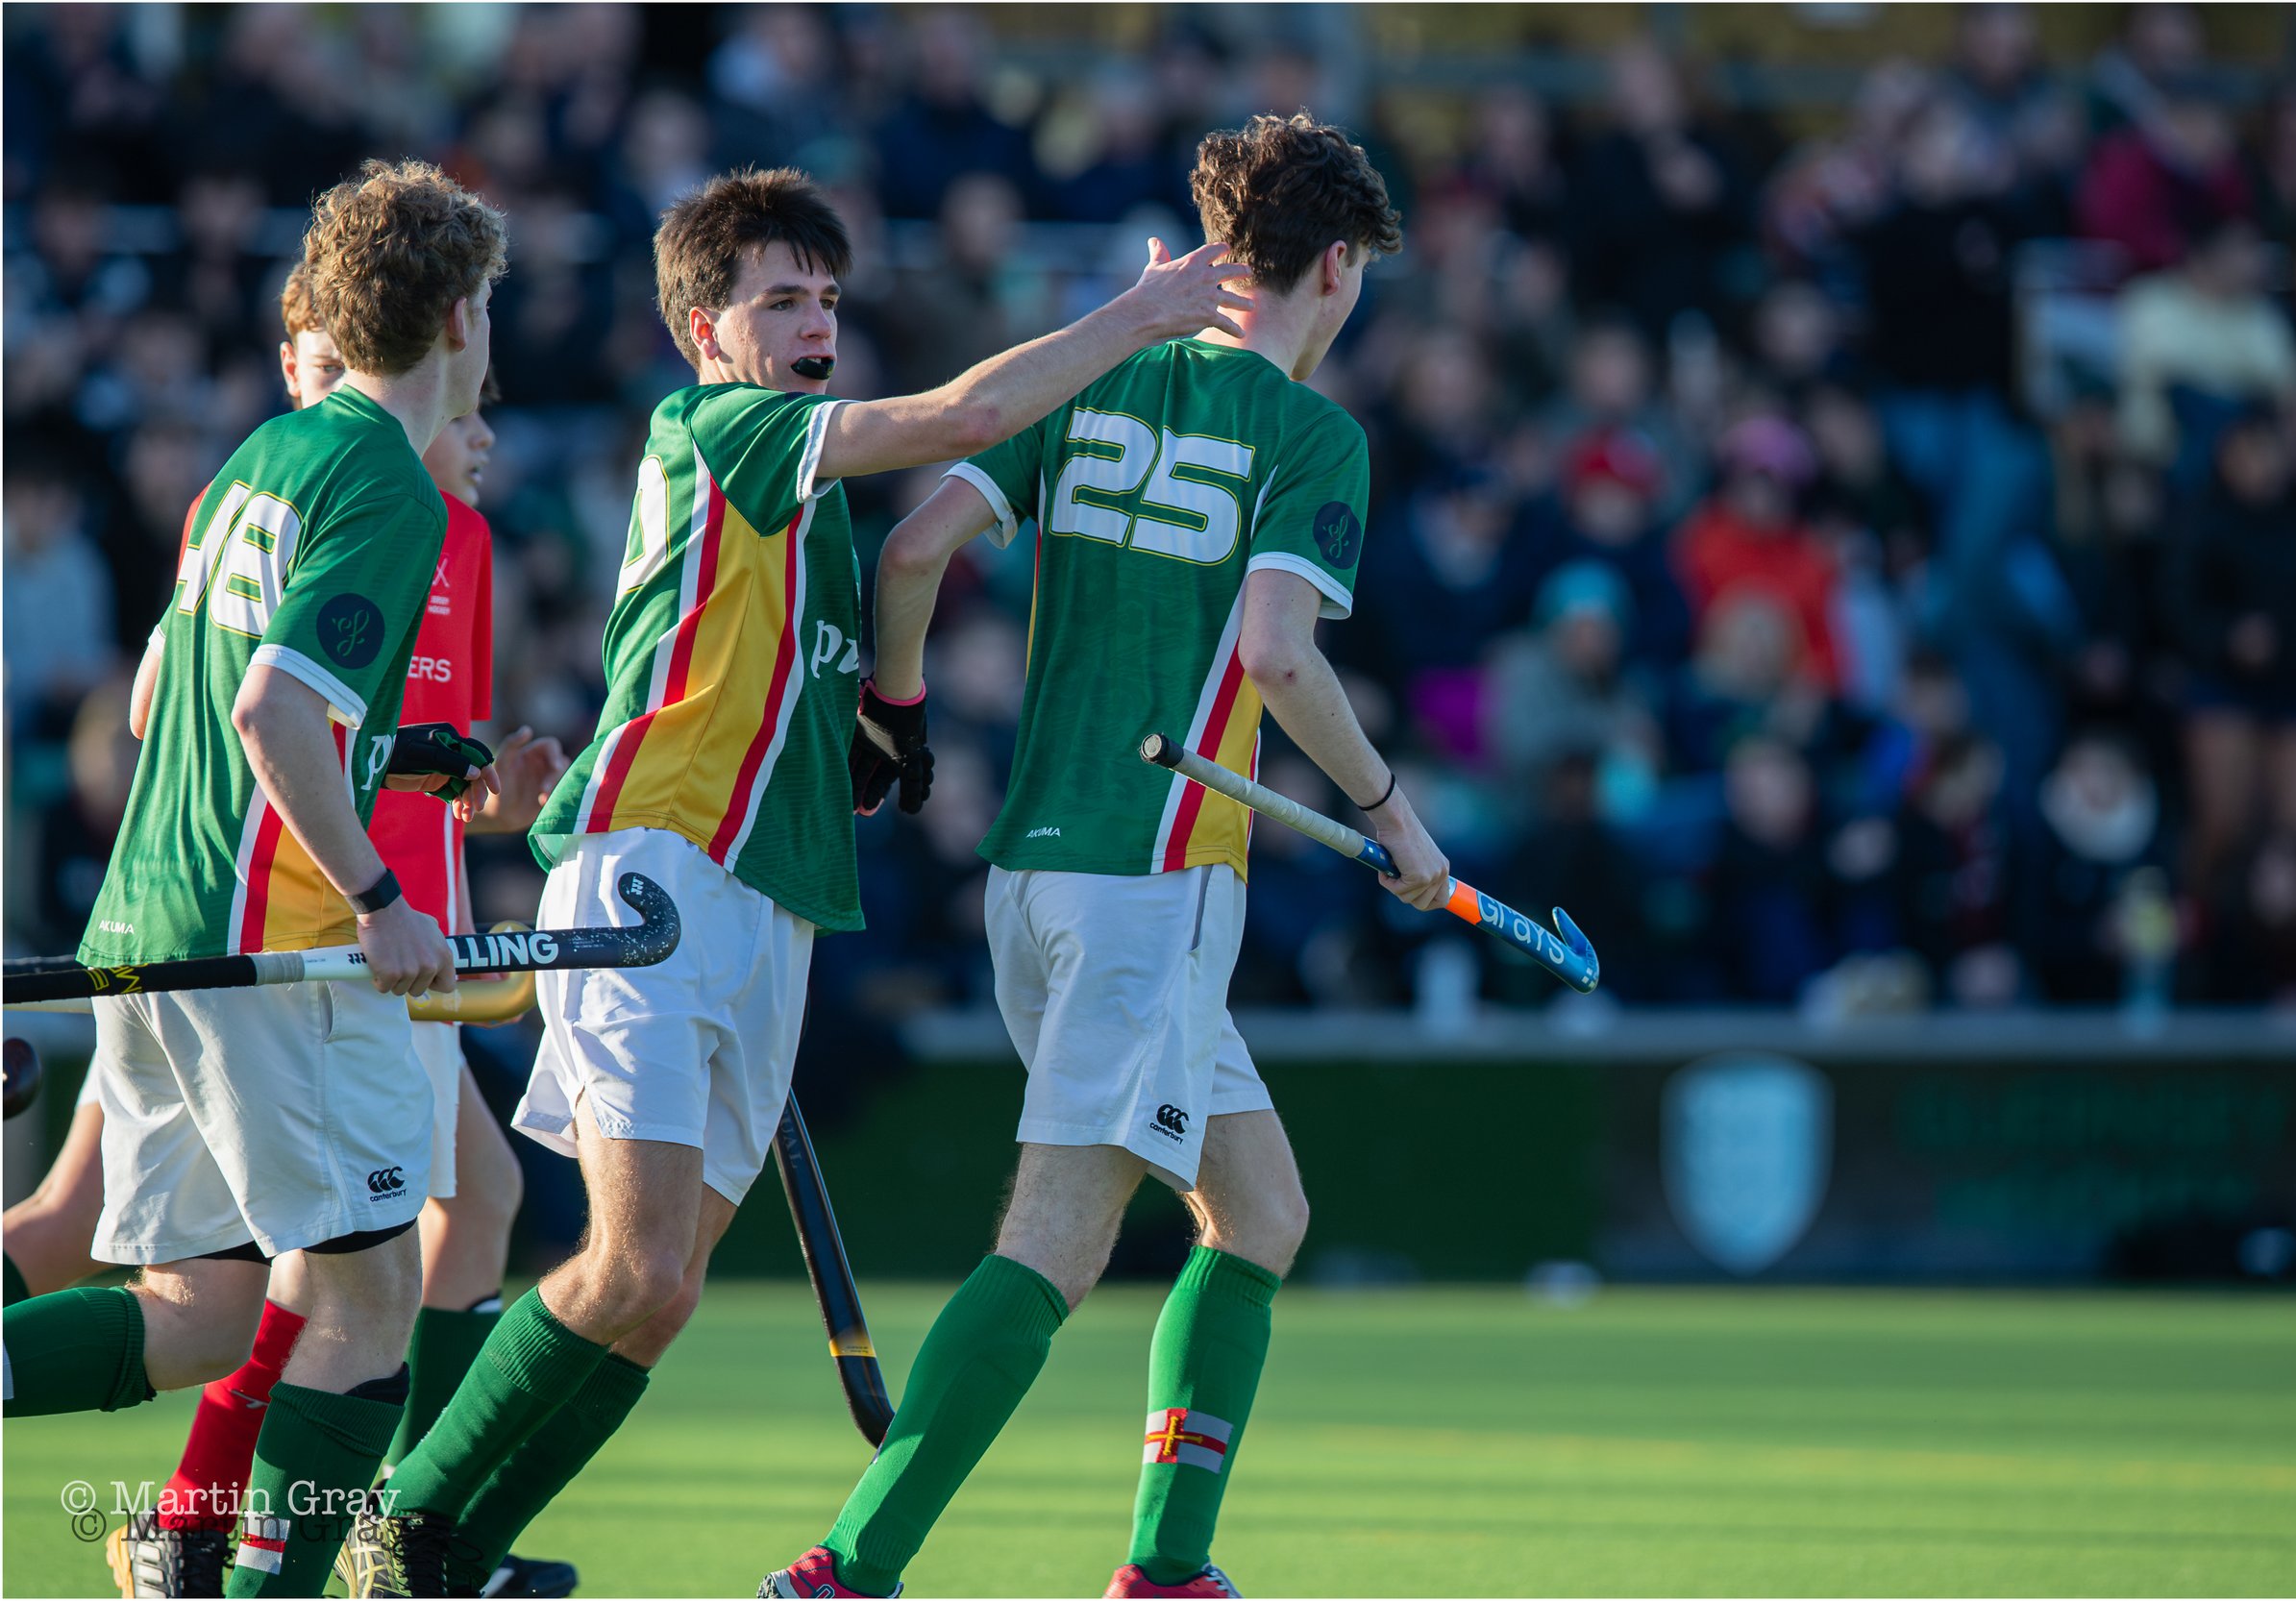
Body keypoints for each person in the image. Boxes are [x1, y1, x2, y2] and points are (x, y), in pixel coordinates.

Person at [358, 165, 1249, 1597]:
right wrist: (1141, 314)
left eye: (826, 296)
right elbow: (961, 421)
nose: (814, 318)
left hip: (768, 902)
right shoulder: (727, 426)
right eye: (778, 299)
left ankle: (451, 1552)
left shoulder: (809, 511)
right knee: (632, 1264)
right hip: (653, 875)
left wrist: (884, 715)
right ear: (706, 332)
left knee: (663, 1298)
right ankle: (401, 1520)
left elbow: (851, 663)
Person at [760, 111, 1446, 1600]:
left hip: (1031, 877)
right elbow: (1275, 649)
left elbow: (914, 550)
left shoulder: (1099, 374)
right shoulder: (1315, 433)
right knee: (1060, 1237)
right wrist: (1389, 810)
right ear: (1334, 266)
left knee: (1259, 1210)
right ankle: (848, 1568)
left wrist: (898, 711)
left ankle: (1168, 1568)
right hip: (1154, 879)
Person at [0, 159, 506, 1601]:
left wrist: (394, 770)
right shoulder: (386, 484)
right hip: (259, 945)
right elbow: (267, 715)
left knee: (208, 1309)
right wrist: (378, 893)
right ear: (460, 315)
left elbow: (166, 690)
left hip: (142, 926)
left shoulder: (251, 465)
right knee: (367, 1290)